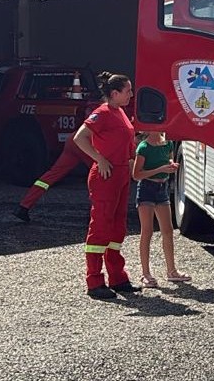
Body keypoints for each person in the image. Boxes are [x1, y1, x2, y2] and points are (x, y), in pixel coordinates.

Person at [73, 72, 138, 300]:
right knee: (100, 228)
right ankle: (94, 281)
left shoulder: (120, 112)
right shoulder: (101, 113)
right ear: (115, 93)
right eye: (128, 90)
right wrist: (99, 159)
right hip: (105, 176)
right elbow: (79, 138)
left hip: (120, 175)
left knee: (117, 228)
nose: (131, 94)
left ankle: (117, 277)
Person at [131, 131, 189, 288]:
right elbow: (136, 175)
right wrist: (160, 169)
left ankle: (172, 271)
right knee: (147, 231)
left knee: (168, 230)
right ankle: (145, 273)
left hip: (162, 188)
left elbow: (168, 157)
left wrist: (170, 164)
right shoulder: (143, 147)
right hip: (146, 189)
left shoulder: (168, 143)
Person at [14, 134, 92, 222]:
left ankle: (24, 206)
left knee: (51, 175)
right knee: (101, 176)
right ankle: (98, 213)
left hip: (74, 140)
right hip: (86, 142)